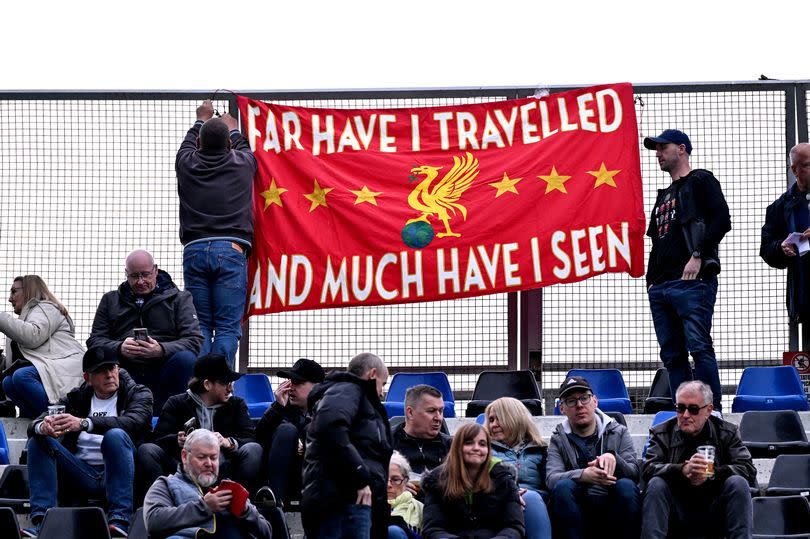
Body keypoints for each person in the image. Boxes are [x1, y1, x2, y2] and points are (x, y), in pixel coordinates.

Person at [23, 346, 153, 538]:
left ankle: (119, 520)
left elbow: (135, 422)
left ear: (118, 369)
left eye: (112, 368)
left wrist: (84, 423)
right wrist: (43, 427)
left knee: (115, 435)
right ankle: (43, 522)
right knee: (37, 441)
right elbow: (35, 423)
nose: (109, 375)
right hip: (82, 472)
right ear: (88, 378)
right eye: (101, 371)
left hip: (121, 472)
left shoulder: (138, 393)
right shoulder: (77, 397)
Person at [643, 129, 731, 409]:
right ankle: (683, 409)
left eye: (662, 147)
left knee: (699, 346)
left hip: (692, 281)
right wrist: (651, 282)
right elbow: (657, 240)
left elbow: (722, 220)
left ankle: (710, 409)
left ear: (681, 149)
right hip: (661, 285)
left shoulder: (701, 180)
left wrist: (698, 255)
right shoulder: (663, 195)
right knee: (672, 354)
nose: (657, 154)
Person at [176, 100, 257, 367]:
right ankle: (219, 385)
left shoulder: (187, 164)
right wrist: (233, 128)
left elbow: (186, 147)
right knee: (226, 327)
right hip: (231, 251)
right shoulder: (242, 164)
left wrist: (201, 119)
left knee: (201, 326)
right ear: (230, 144)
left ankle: (201, 383)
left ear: (198, 143)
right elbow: (247, 150)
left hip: (195, 251)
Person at [87, 249, 203, 414]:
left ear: (155, 270)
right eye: (134, 276)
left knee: (186, 359)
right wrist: (120, 348)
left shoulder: (180, 298)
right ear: (126, 274)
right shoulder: (110, 300)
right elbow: (94, 341)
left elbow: (194, 340)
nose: (141, 281)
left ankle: (168, 415)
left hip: (165, 367)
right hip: (124, 369)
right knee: (101, 362)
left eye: (146, 275)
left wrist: (161, 350)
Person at [136, 353, 263, 502]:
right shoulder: (176, 403)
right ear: (207, 384)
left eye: (231, 383)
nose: (230, 388)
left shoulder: (236, 404)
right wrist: (177, 440)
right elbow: (157, 440)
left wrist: (228, 442)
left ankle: (238, 503)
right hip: (183, 470)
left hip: (223, 470)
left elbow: (250, 438)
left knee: (253, 449)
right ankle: (163, 502)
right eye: (225, 383)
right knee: (147, 450)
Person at [641, 380, 756, 538]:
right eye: (680, 408)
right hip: (675, 512)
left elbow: (748, 469)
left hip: (715, 510)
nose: (686, 415)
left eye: (693, 409)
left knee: (738, 483)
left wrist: (711, 472)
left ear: (709, 410)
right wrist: (682, 469)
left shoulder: (727, 432)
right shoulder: (662, 433)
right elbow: (647, 468)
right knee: (656, 484)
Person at [302, 352, 393, 539]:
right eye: (382, 384)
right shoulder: (348, 389)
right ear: (372, 374)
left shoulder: (352, 396)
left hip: (352, 501)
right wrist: (360, 476)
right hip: (344, 502)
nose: (382, 392)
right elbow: (330, 426)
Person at [546, 376, 640, 539]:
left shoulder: (619, 432)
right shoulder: (558, 439)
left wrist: (614, 458)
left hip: (613, 505)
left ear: (595, 401)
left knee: (626, 486)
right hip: (577, 509)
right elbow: (551, 479)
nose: (579, 405)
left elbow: (635, 474)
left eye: (584, 398)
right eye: (571, 401)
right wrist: (583, 475)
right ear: (562, 408)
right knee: (562, 487)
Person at [143, 428, 272, 539]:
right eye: (201, 457)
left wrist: (246, 511)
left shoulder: (229, 488)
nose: (209, 463)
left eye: (213, 457)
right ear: (184, 456)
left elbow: (267, 533)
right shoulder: (165, 484)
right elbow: (153, 522)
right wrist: (205, 507)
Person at [0, 275, 84, 418]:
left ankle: (60, 418)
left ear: (28, 290)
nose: (10, 298)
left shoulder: (46, 308)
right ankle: (43, 421)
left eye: (14, 291)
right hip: (46, 370)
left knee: (22, 376)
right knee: (8, 383)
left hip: (65, 367)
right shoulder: (19, 324)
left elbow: (33, 335)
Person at [421, 422, 524, 539]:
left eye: (482, 444)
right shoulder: (437, 480)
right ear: (457, 447)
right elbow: (432, 529)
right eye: (469, 443)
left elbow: (514, 527)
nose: (476, 448)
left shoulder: (503, 478)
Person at [255, 357, 325, 505]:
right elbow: (258, 438)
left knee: (311, 430)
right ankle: (275, 501)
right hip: (284, 479)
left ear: (317, 387)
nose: (291, 387)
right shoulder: (281, 409)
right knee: (286, 430)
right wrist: (277, 408)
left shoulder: (329, 410)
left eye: (298, 383)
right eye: (290, 381)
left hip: (316, 485)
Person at [761, 142, 810, 350]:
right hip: (806, 298)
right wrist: (781, 248)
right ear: (794, 170)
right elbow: (766, 248)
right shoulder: (780, 207)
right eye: (808, 165)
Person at [485, 397, 552, 539]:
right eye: (491, 420)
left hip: (536, 504)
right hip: (498, 502)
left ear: (515, 418)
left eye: (499, 419)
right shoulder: (485, 451)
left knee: (532, 498)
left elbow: (551, 484)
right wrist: (511, 493)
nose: (493, 425)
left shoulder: (541, 450)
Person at [391, 384, 452, 479]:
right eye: (431, 411)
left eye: (441, 411)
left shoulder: (451, 446)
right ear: (410, 412)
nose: (438, 418)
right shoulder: (386, 443)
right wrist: (398, 483)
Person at [388, 451, 423, 539]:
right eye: (384, 478)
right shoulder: (366, 507)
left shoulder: (420, 509)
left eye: (395, 479)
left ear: (406, 481)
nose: (388, 485)